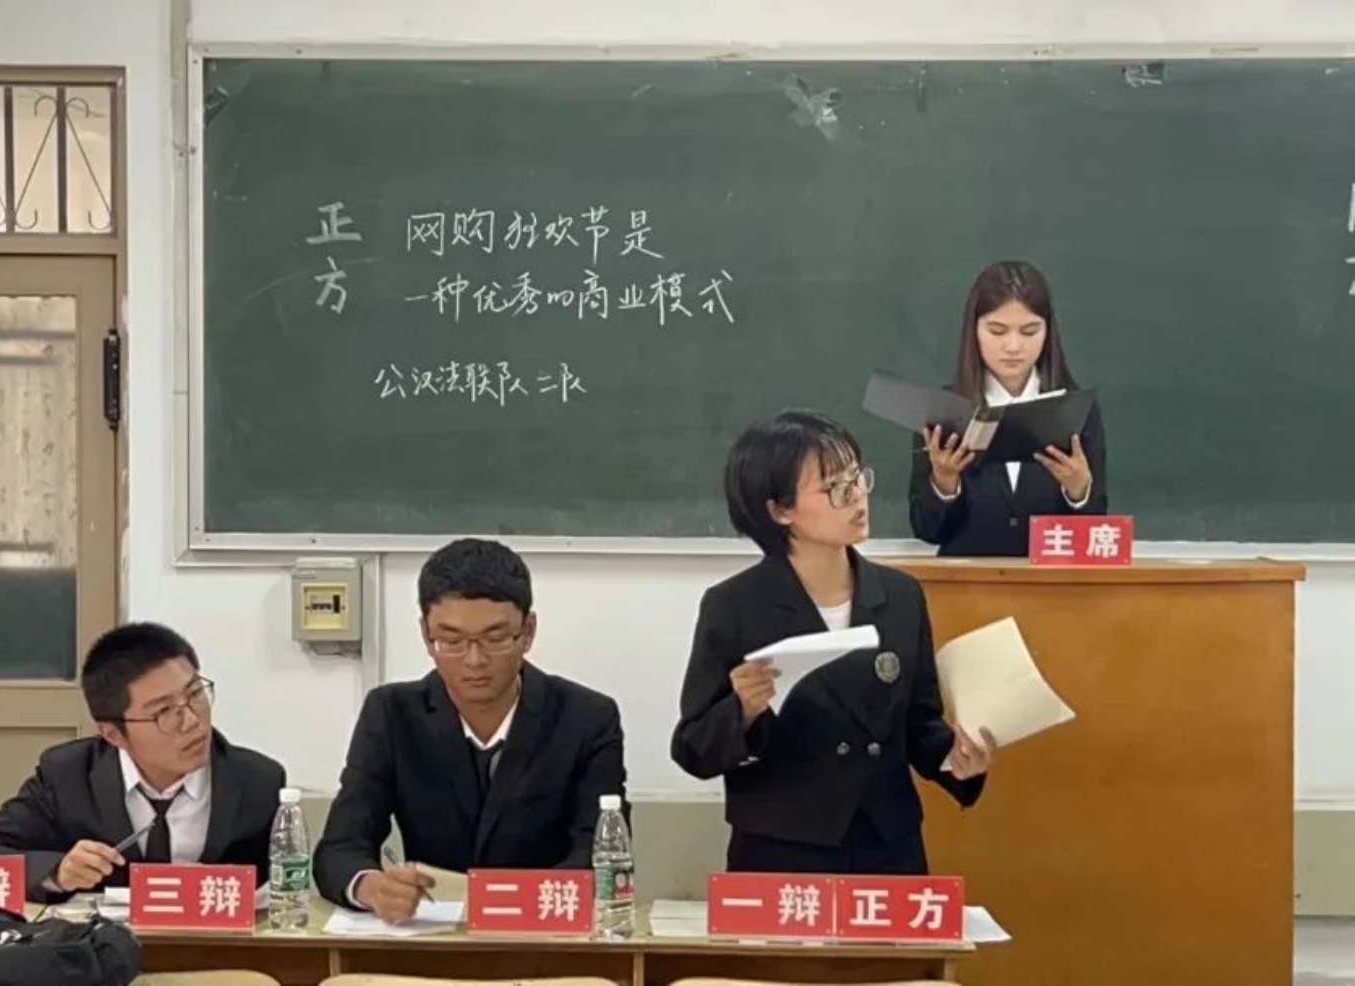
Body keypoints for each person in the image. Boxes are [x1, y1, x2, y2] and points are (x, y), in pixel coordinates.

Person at [672, 412, 993, 874]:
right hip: (783, 848)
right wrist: (741, 710)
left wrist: (956, 759)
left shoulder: (900, 596)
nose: (858, 496)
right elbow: (693, 748)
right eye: (835, 489)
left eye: (857, 478)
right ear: (780, 511)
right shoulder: (735, 605)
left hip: (886, 843)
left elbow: (920, 725)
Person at [313, 538, 627, 923]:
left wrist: (510, 905)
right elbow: (339, 850)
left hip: (544, 933)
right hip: (432, 938)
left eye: (495, 639)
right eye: (451, 641)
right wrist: (372, 888)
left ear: (528, 632)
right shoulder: (392, 714)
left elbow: (601, 858)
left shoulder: (586, 718)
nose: (474, 660)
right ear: (426, 635)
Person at [0, 622, 284, 902]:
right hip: (98, 951)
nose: (192, 721)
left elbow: (284, 888)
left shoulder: (259, 782)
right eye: (164, 711)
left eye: (196, 694)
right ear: (113, 734)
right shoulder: (68, 776)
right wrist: (58, 871)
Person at [909, 260, 1108, 556]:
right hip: (966, 581)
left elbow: (1096, 532)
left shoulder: (1075, 411)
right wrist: (944, 483)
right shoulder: (943, 412)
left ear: (1047, 332)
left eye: (1029, 331)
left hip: (1052, 581)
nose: (1013, 347)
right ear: (974, 330)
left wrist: (1078, 490)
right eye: (997, 331)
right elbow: (927, 530)